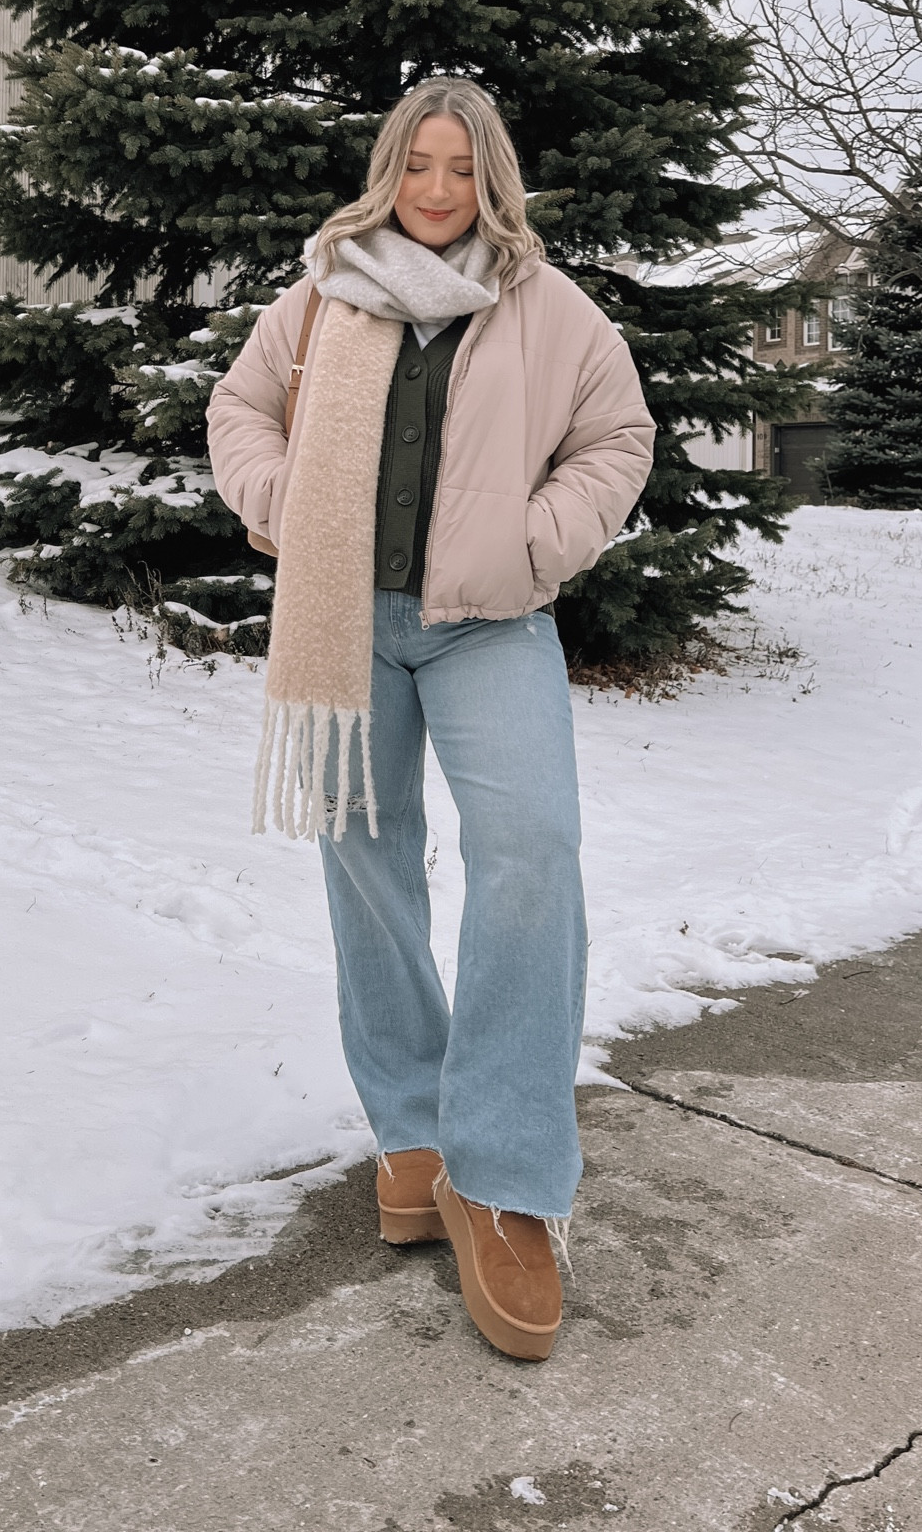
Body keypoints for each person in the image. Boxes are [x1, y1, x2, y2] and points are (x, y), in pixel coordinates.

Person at [206, 77, 653, 1361]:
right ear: (390, 171)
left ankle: (501, 1171)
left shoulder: (544, 305)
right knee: (369, 860)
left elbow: (617, 438)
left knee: (531, 854)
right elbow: (238, 411)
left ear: (490, 176)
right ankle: (411, 1127)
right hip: (345, 623)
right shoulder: (321, 293)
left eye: (462, 166)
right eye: (420, 164)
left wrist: (536, 540)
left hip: (486, 623)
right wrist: (287, 497)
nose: (440, 189)